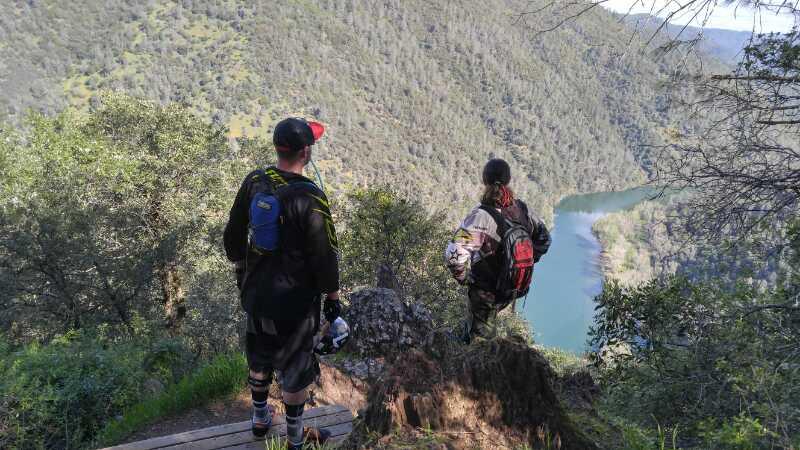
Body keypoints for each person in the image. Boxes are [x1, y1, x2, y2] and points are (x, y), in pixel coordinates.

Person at [223, 117, 341, 449]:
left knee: (260, 356)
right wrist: (332, 298)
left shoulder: (255, 181)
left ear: (278, 148)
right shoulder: (312, 198)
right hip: (296, 302)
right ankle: (294, 439)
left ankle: (260, 419)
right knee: (296, 369)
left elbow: (233, 234)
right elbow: (325, 255)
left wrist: (242, 270)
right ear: (306, 152)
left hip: (257, 293)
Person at [445, 158, 551, 343]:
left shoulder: (481, 216)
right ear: (508, 180)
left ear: (484, 181)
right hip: (511, 287)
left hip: (486, 290)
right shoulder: (521, 209)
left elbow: (454, 254)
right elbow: (544, 239)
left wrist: (464, 278)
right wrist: (523, 260)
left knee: (480, 343)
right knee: (477, 329)